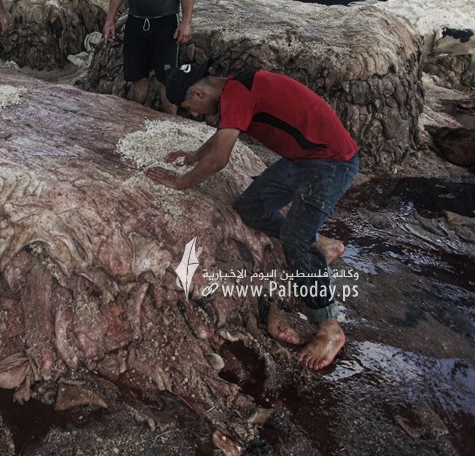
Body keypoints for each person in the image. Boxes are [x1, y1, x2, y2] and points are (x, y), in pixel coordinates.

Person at [146, 60, 360, 370]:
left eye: (189, 107)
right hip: (304, 158)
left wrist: (179, 183)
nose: (193, 114)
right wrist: (194, 156)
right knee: (250, 208)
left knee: (294, 240)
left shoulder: (236, 95)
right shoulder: (236, 87)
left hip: (332, 162)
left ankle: (329, 328)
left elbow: (220, 159)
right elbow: (220, 139)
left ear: (197, 92)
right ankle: (323, 244)